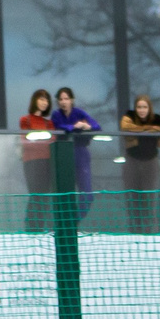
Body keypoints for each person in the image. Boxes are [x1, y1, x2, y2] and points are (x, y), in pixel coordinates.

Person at [118, 94, 160, 232]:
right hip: (132, 161)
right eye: (139, 107)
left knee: (150, 200)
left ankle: (151, 232)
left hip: (151, 162)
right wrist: (150, 128)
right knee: (132, 198)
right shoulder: (129, 118)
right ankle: (134, 231)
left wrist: (157, 131)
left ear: (149, 108)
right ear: (135, 108)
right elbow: (126, 127)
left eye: (144, 107)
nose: (142, 110)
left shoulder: (157, 119)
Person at [49, 87, 101, 222]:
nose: (63, 102)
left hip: (81, 153)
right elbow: (58, 127)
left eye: (66, 98)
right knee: (65, 192)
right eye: (61, 99)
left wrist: (87, 127)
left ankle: (74, 221)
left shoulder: (79, 113)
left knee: (87, 193)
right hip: (63, 154)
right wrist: (74, 127)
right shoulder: (56, 115)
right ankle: (64, 223)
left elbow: (96, 127)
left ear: (72, 100)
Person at [18, 88, 57, 230]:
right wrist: (43, 138)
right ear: (35, 101)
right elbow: (25, 141)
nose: (44, 102)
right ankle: (31, 226)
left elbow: (52, 140)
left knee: (44, 195)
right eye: (41, 99)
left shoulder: (49, 123)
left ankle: (40, 226)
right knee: (35, 194)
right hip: (31, 161)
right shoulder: (25, 120)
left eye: (46, 100)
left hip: (47, 161)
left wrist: (36, 138)